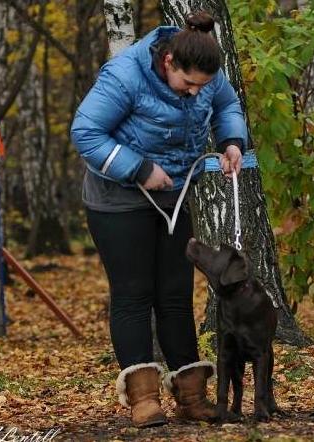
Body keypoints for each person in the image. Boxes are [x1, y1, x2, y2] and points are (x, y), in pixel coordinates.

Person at [70, 11, 247, 428]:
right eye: (187, 85)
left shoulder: (206, 76)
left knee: (174, 293)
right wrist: (139, 168)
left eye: (200, 87)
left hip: (175, 196)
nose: (192, 94)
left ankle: (190, 395)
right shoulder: (124, 75)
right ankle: (143, 399)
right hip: (118, 197)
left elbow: (226, 104)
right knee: (133, 294)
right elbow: (86, 132)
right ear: (168, 62)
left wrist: (232, 142)